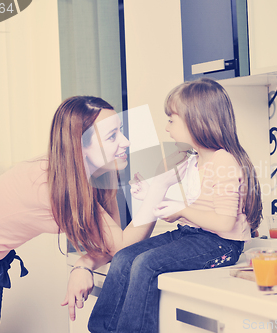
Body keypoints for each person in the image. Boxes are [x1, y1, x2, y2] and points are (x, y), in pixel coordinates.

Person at [0, 96, 171, 332]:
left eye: (121, 131)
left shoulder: (100, 174)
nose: (126, 142)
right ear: (80, 145)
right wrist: (156, 193)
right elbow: (119, 246)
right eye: (112, 136)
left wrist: (83, 264)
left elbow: (112, 245)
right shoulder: (51, 184)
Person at [88, 78, 263, 333]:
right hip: (191, 235)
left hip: (220, 245)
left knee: (145, 263)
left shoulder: (223, 161)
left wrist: (181, 210)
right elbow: (192, 205)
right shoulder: (192, 160)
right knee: (125, 256)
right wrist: (153, 194)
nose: (167, 127)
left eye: (172, 119)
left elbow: (224, 222)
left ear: (196, 120)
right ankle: (101, 330)